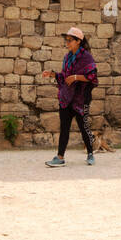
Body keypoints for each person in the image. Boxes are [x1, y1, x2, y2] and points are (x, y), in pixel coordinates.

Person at [46, 26, 98, 167]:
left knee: (83, 127)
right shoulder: (67, 57)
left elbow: (92, 76)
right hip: (66, 98)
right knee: (64, 128)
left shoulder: (86, 57)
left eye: (70, 40)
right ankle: (60, 157)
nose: (67, 43)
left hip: (81, 99)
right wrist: (53, 74)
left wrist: (75, 77)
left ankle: (90, 153)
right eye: (66, 40)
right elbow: (64, 77)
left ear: (78, 41)